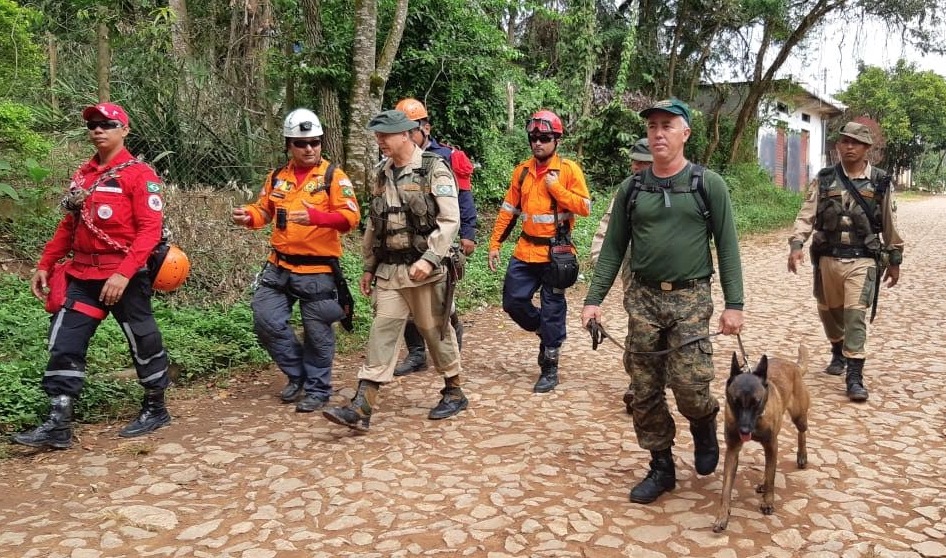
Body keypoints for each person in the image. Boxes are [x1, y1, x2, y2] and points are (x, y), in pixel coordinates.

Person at [580, 98, 744, 505]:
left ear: (685, 133)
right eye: (652, 126)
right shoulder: (632, 188)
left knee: (690, 384)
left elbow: (727, 246)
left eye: (667, 126)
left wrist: (734, 303)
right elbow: (615, 247)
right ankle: (661, 466)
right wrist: (593, 299)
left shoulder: (708, 184)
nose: (658, 133)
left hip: (691, 297)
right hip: (643, 299)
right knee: (645, 389)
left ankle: (703, 422)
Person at [13, 103, 174, 449]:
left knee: (142, 339)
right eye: (92, 125)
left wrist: (123, 274)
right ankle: (58, 423)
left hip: (124, 277)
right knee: (65, 342)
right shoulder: (83, 175)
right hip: (84, 275)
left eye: (107, 124)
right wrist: (46, 262)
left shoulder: (140, 175)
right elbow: (69, 224)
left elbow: (150, 232)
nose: (98, 130)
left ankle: (156, 407)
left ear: (124, 130)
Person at [322, 109, 465, 432]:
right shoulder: (383, 173)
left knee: (433, 331)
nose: (380, 142)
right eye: (377, 136)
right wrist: (369, 266)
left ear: (405, 134)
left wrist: (429, 258)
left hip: (426, 271)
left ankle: (454, 389)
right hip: (390, 271)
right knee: (382, 330)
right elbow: (376, 223)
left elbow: (449, 220)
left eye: (385, 136)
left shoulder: (433, 169)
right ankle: (362, 406)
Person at [231, 108, 360, 413]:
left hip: (317, 270)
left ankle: (318, 388)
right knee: (265, 320)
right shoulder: (278, 177)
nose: (309, 148)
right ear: (289, 144)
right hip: (279, 266)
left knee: (318, 332)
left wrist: (317, 216)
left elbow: (351, 218)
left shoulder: (332, 177)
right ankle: (298, 374)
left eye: (315, 142)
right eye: (302, 143)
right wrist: (247, 216)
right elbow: (264, 211)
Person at [787, 121, 903, 402]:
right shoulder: (825, 178)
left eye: (855, 142)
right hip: (827, 258)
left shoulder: (880, 181)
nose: (848, 147)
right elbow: (807, 213)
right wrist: (796, 244)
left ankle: (854, 376)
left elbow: (889, 221)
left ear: (866, 149)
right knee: (829, 313)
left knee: (854, 314)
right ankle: (837, 349)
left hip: (862, 260)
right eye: (844, 141)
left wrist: (895, 258)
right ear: (838, 146)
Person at [487, 110, 591, 393]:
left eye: (544, 138)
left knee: (553, 307)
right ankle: (546, 333)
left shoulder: (568, 171)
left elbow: (584, 206)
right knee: (512, 301)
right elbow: (509, 211)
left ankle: (550, 364)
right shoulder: (522, 172)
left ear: (556, 140)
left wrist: (557, 189)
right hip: (525, 250)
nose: (538, 143)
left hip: (557, 254)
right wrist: (495, 244)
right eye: (533, 138)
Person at [391, 97, 477, 377]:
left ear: (425, 128)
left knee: (442, 302)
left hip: (439, 238)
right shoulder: (392, 161)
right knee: (404, 297)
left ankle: (451, 336)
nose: (405, 136)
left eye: (411, 129)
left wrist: (468, 233)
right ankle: (417, 353)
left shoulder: (449, 157)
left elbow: (463, 197)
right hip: (403, 242)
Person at [590, 137, 653, 414]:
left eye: (643, 162)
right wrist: (598, 258)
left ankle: (656, 379)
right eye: (635, 161)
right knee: (639, 326)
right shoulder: (626, 191)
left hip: (670, 276)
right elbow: (607, 227)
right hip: (634, 271)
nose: (636, 166)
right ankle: (638, 385)